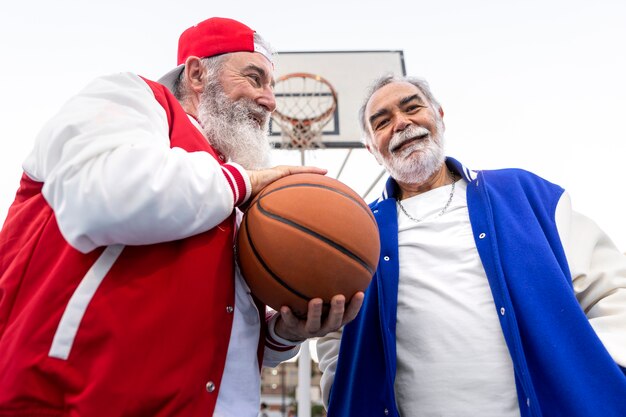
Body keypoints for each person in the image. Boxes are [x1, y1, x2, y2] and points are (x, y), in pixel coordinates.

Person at [0, 17, 362, 416]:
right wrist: (244, 181)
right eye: (255, 78)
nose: (270, 99)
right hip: (70, 400)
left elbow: (225, 332)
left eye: (271, 86)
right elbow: (100, 195)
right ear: (196, 74)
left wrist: (282, 333)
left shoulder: (230, 194)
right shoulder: (132, 99)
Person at [316, 74, 626, 416]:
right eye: (382, 122)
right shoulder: (356, 233)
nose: (401, 123)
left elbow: (613, 290)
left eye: (412, 107)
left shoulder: (526, 195)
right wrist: (341, 390)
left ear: (439, 117)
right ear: (373, 149)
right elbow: (334, 336)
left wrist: (593, 367)